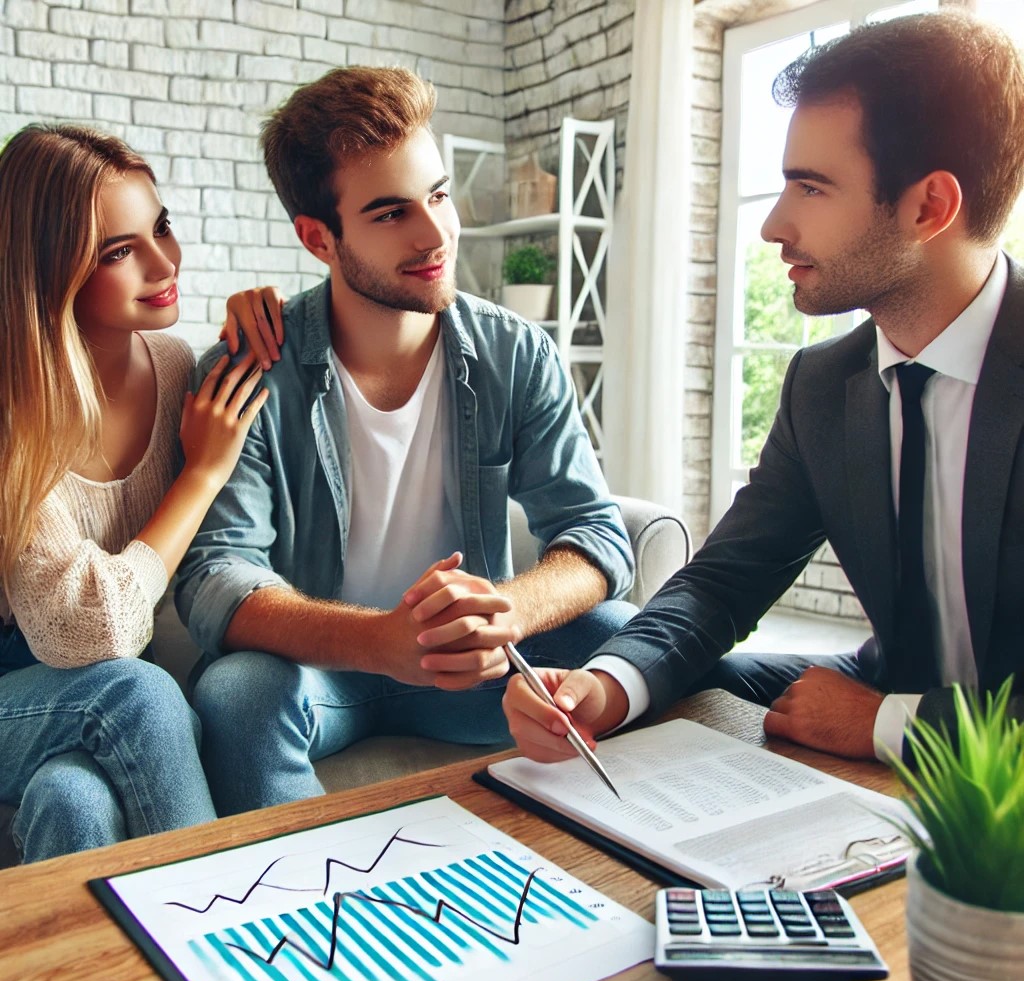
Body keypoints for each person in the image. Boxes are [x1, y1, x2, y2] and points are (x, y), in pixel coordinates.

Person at [503, 9, 1024, 767]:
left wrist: (889, 726)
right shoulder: (824, 384)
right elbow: (723, 583)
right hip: (887, 680)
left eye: (810, 188)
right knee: (663, 682)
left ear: (929, 208)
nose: (773, 226)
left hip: (981, 735)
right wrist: (603, 689)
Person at [174, 65, 636, 817]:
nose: (435, 234)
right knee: (238, 693)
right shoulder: (252, 366)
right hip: (325, 674)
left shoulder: (516, 353)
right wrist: (382, 642)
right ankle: (299, 906)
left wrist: (506, 611)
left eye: (440, 195)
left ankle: (614, 868)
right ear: (319, 237)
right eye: (390, 214)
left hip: (478, 670)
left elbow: (595, 536)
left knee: (623, 640)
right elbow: (216, 575)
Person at [0, 123, 271, 862]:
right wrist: (201, 472)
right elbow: (88, 631)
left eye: (162, 229)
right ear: (48, 272)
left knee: (72, 801)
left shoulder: (177, 365)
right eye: (119, 252)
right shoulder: (12, 417)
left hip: (90, 680)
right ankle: (236, 934)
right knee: (140, 694)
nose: (164, 263)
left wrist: (258, 325)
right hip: (32, 675)